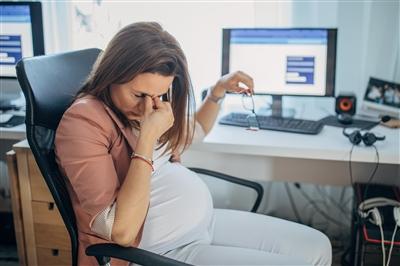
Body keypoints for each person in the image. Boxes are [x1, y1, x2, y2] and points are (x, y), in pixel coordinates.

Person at [55, 22, 332, 266]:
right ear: (111, 74)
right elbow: (122, 231)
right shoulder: (84, 121)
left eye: (159, 95)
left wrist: (217, 92)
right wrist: (148, 138)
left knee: (317, 247)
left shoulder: (142, 107)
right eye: (138, 93)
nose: (147, 106)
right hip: (157, 251)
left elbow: (195, 130)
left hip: (200, 226)